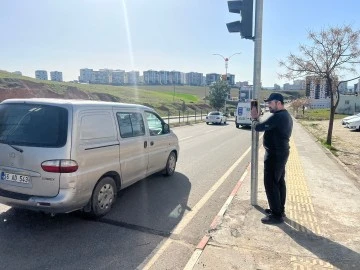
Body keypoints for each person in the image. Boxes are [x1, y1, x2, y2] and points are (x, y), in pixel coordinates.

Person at [250, 93, 293, 224]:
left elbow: (259, 127)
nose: (268, 105)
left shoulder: (278, 117)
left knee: (271, 183)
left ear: (278, 103)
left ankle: (276, 215)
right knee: (279, 182)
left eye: (270, 103)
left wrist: (254, 118)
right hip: (281, 152)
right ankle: (279, 209)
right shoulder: (285, 115)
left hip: (275, 155)